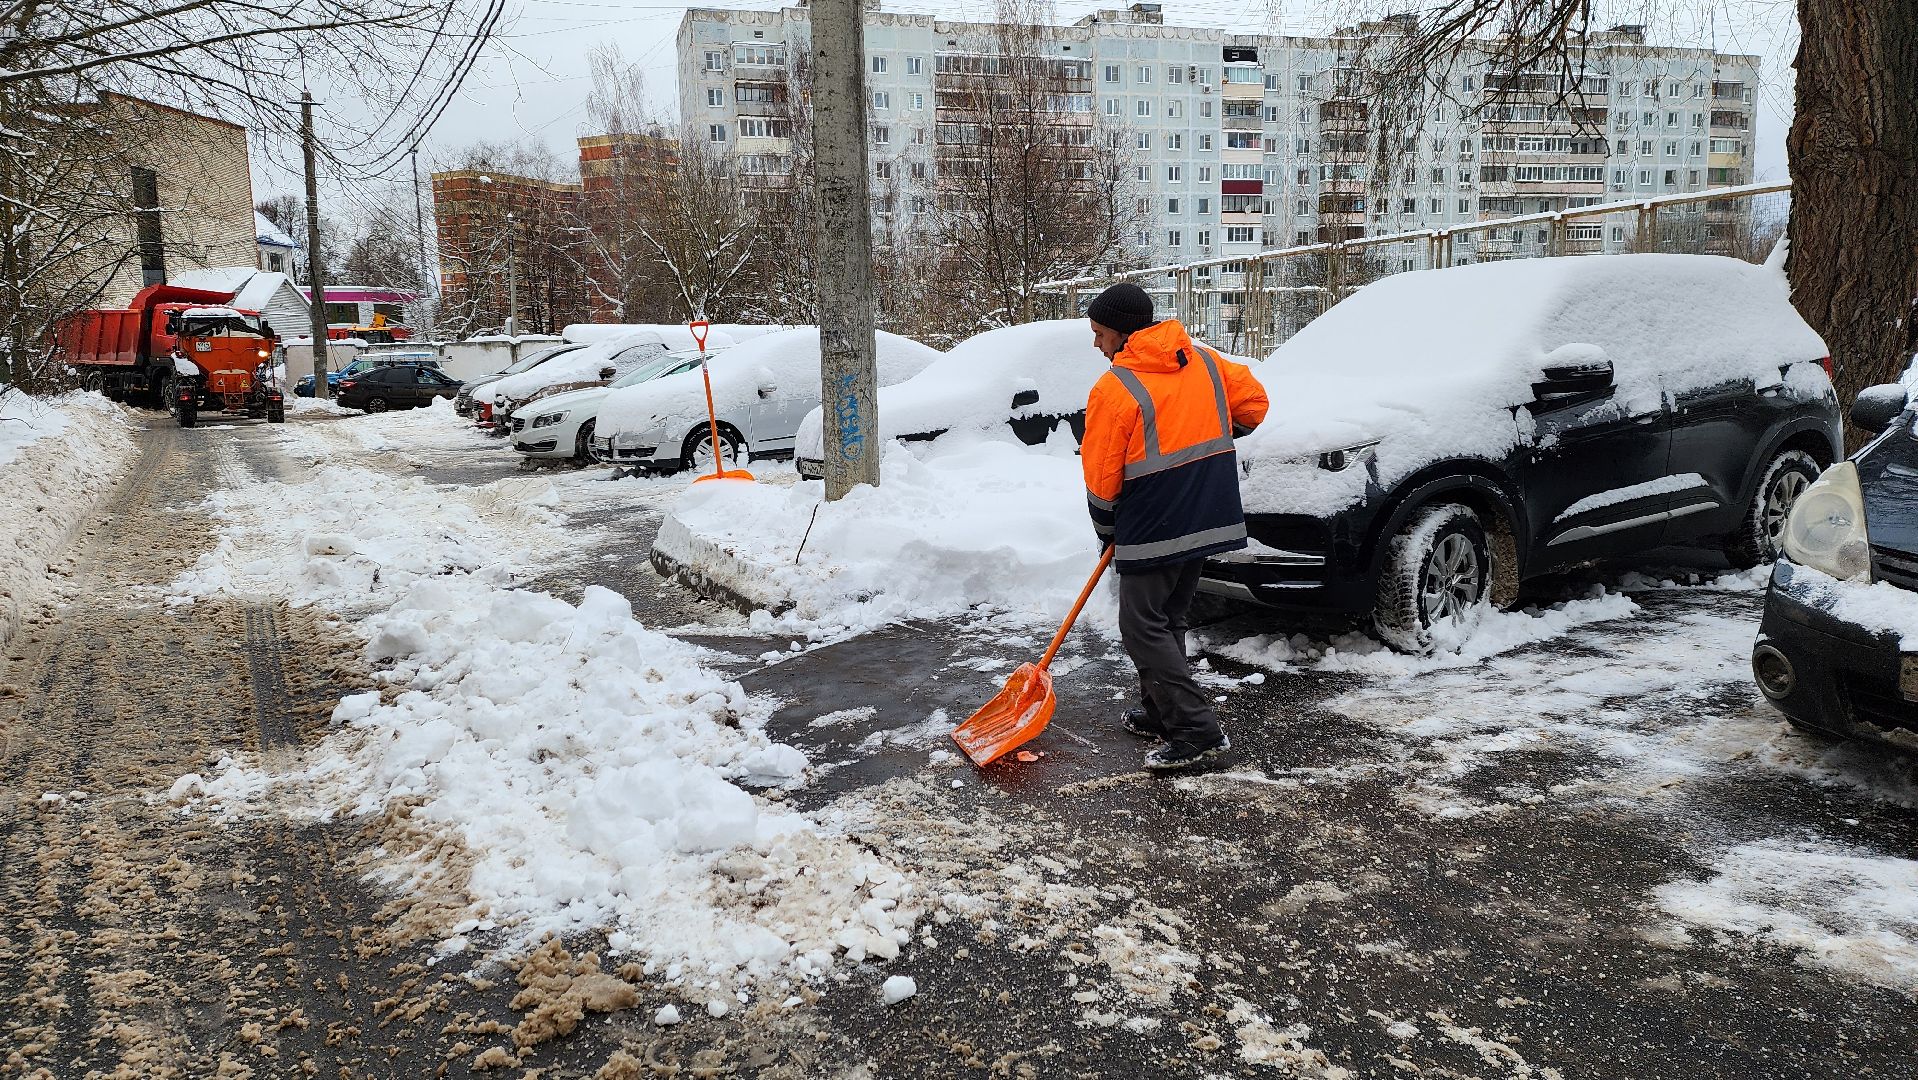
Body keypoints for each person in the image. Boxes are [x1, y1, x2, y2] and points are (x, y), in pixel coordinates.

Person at [1080, 282, 1269, 771]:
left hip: (1153, 520)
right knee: (1169, 618)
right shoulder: (1203, 360)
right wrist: (1214, 431)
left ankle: (1196, 731)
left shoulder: (1115, 388)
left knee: (1141, 626)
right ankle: (1162, 711)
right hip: (1209, 509)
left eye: (1100, 333)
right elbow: (1253, 405)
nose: (1096, 344)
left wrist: (1107, 529)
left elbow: (1102, 479)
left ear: (1123, 333)